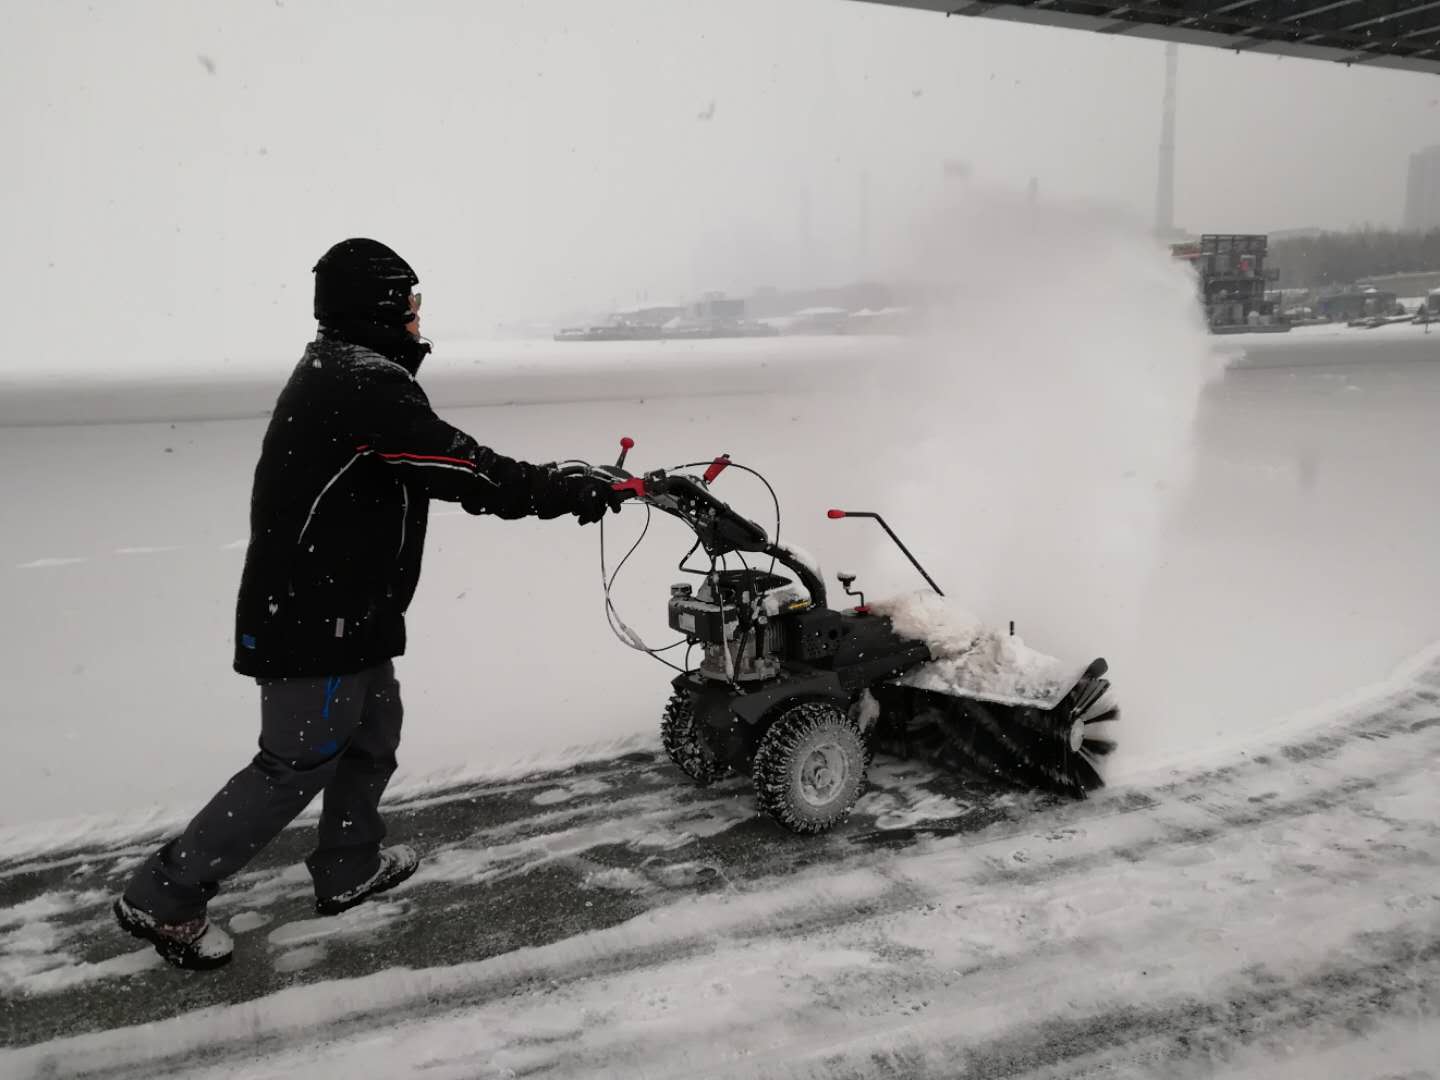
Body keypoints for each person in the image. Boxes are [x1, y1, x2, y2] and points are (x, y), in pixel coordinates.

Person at [113, 239, 624, 970]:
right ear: (380, 307)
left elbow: (440, 462)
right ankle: (164, 895)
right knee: (294, 763)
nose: (419, 317)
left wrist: (555, 478)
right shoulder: (360, 383)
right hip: (313, 615)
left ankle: (349, 866)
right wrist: (564, 490)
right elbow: (461, 469)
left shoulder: (346, 371)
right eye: (409, 302)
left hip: (344, 606)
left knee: (374, 728)